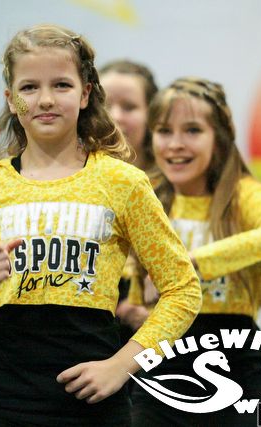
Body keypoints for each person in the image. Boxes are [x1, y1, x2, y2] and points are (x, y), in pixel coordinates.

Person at [0, 24, 201, 426]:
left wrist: (122, 366)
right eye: (28, 88)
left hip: (93, 407)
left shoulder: (123, 183)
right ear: (10, 101)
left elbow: (183, 290)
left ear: (85, 94)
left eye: (61, 85)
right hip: (0, 403)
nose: (45, 99)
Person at [128, 77, 261, 426]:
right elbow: (132, 289)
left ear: (220, 138)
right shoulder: (145, 194)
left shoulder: (245, 195)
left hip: (235, 364)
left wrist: (192, 263)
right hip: (160, 366)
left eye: (192, 130)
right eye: (164, 131)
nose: (175, 144)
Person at [99, 59, 160, 341]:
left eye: (129, 107)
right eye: (104, 105)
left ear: (153, 117)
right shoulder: (67, 181)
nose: (115, 117)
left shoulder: (178, 185)